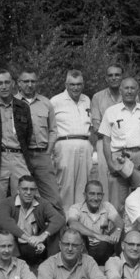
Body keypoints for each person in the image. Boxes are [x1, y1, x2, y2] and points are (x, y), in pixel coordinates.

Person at [0, 68, 35, 217]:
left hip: (18, 157)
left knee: (25, 199)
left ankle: (22, 235)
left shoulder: (23, 107)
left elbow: (27, 135)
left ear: (13, 84)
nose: (4, 86)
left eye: (7, 82)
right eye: (0, 83)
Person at [99, 77, 140, 213]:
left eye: (133, 88)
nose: (129, 91)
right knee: (117, 202)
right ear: (120, 90)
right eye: (126, 88)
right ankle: (118, 232)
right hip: (119, 159)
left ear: (137, 90)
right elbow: (106, 140)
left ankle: (139, 233)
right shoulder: (111, 111)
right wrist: (109, 163)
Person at [15, 67, 62, 211]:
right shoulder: (13, 102)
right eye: (26, 81)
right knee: (22, 196)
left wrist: (47, 152)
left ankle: (58, 231)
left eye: (33, 81)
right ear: (19, 82)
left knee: (53, 197)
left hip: (42, 155)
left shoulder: (46, 102)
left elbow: (53, 130)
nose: (30, 84)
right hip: (21, 156)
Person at [0, 175, 65, 266]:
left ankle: (53, 266)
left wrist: (43, 236)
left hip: (36, 247)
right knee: (7, 232)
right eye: (25, 189)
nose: (28, 193)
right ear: (18, 190)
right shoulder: (6, 203)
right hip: (15, 247)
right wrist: (30, 239)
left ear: (35, 191)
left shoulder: (42, 203)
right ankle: (13, 267)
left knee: (55, 229)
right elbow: (5, 222)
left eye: (32, 190)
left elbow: (59, 219)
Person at [50, 68, 93, 210]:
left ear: (83, 84)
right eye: (72, 84)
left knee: (83, 185)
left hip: (85, 145)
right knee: (66, 186)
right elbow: (48, 127)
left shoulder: (87, 99)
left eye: (79, 84)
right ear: (66, 84)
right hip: (64, 144)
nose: (76, 87)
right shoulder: (55, 101)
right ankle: (65, 221)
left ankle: (80, 220)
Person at [66, 180, 124, 266]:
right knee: (78, 234)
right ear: (85, 195)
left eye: (99, 194)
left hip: (103, 247)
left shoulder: (107, 206)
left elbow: (118, 219)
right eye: (92, 194)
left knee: (121, 230)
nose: (96, 198)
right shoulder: (76, 208)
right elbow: (73, 224)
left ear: (103, 195)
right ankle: (83, 267)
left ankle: (121, 265)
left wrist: (118, 230)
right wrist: (98, 235)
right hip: (84, 249)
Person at [90, 65, 125, 193]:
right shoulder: (97, 97)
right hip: (104, 143)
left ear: (122, 77)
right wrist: (118, 133)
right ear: (106, 78)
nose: (114, 78)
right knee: (105, 178)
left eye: (117, 75)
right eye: (110, 75)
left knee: (125, 177)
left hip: (126, 144)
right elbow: (96, 128)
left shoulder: (131, 95)